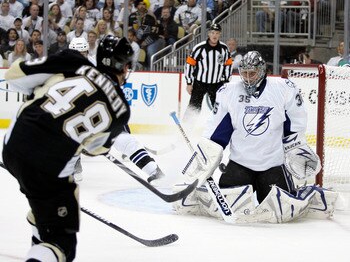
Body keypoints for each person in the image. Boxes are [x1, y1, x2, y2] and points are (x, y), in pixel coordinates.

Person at [2, 35, 134, 261]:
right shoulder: (121, 110)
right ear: (122, 66)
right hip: (48, 167)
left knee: (42, 206)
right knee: (61, 244)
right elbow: (94, 149)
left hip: (14, 144)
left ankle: (40, 229)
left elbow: (14, 76)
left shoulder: (73, 61)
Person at [174, 51, 337, 223]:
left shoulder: (283, 89)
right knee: (228, 204)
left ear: (262, 71)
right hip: (240, 164)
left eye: (252, 73)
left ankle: (311, 194)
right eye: (244, 73)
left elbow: (295, 123)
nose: (248, 78)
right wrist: (206, 158)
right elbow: (217, 133)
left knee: (282, 211)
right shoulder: (229, 92)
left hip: (272, 165)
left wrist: (295, 148)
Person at [68, 36, 164, 183]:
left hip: (101, 114)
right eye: (77, 53)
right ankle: (72, 166)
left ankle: (153, 170)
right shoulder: (62, 70)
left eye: (84, 53)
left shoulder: (97, 65)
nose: (81, 57)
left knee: (126, 141)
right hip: (77, 119)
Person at [183, 23, 232, 120]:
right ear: (209, 34)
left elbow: (228, 65)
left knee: (219, 108)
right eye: (212, 33)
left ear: (220, 34)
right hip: (199, 83)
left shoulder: (224, 48)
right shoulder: (199, 48)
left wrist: (226, 82)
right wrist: (189, 82)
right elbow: (189, 64)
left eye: (217, 33)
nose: (214, 35)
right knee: (194, 107)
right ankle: (186, 127)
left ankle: (220, 129)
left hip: (216, 84)